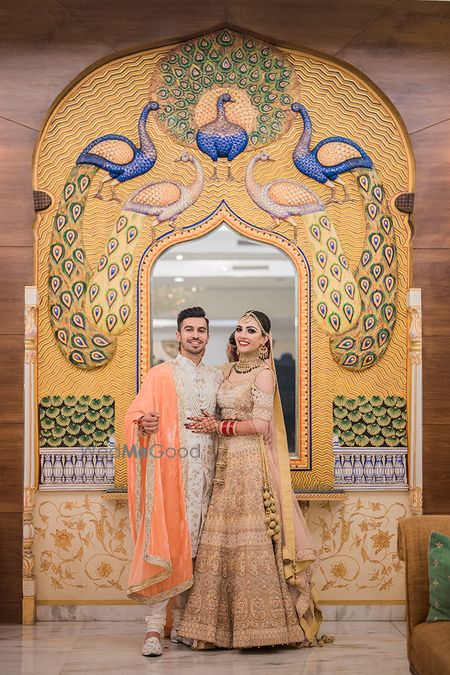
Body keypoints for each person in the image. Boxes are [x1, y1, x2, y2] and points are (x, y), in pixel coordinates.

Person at [179, 310, 324, 649]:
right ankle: (213, 631)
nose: (243, 334)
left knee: (252, 541)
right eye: (240, 329)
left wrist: (217, 427)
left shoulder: (263, 374)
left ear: (265, 341)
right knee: (221, 541)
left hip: (250, 464)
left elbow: (260, 426)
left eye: (252, 331)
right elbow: (196, 392)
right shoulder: (225, 371)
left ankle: (263, 628)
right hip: (224, 463)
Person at [125, 306, 223, 657]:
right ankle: (154, 629)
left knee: (199, 552)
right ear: (178, 336)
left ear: (208, 336)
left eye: (201, 330)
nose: (195, 335)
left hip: (211, 478)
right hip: (171, 477)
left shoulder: (217, 377)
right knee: (168, 546)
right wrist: (144, 423)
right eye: (189, 329)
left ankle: (184, 624)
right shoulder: (161, 375)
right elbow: (136, 414)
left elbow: (228, 420)